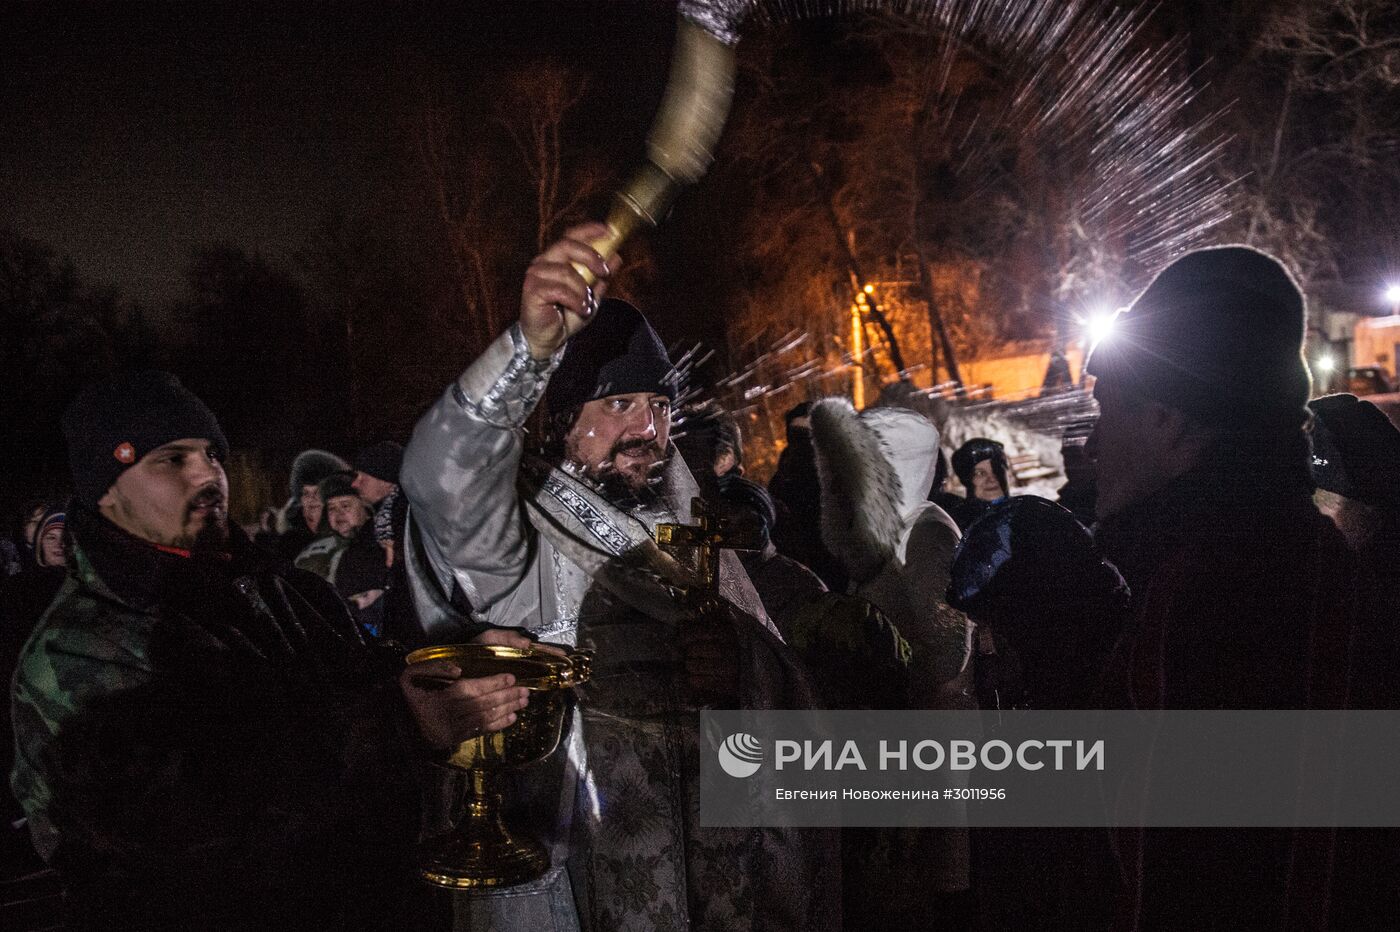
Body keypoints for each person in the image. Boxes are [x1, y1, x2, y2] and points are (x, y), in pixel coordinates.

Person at [400, 225, 837, 931]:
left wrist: (743, 670)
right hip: (575, 877)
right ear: (566, 419)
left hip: (719, 889)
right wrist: (529, 351)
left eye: (660, 406)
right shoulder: (515, 531)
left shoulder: (693, 532)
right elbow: (438, 475)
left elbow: (781, 674)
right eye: (619, 405)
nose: (650, 430)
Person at [10, 370, 537, 931]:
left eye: (212, 454)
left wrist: (450, 662)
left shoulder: (282, 591)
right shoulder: (78, 650)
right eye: (171, 459)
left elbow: (362, 677)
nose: (208, 475)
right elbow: (190, 813)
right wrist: (399, 721)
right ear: (106, 489)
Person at [1083, 245, 1394, 928]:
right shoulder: (1262, 560)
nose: (1092, 445)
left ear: (1168, 415)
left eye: (1108, 408)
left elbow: (1194, 878)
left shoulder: (1226, 589)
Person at [809, 397, 975, 930]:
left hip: (926, 748)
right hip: (888, 742)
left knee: (923, 889)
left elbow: (936, 652)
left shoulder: (928, 534)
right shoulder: (878, 539)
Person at [769, 400, 847, 591]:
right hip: (801, 573)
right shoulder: (783, 478)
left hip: (836, 570)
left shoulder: (840, 475)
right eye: (798, 436)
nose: (805, 445)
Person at [271, 448, 348, 562]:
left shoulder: (348, 544)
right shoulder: (291, 545)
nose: (311, 502)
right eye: (306, 493)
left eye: (318, 492)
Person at [946, 437, 1010, 531]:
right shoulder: (958, 525)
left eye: (997, 469)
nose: (992, 479)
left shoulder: (1023, 514)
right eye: (980, 473)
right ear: (966, 480)